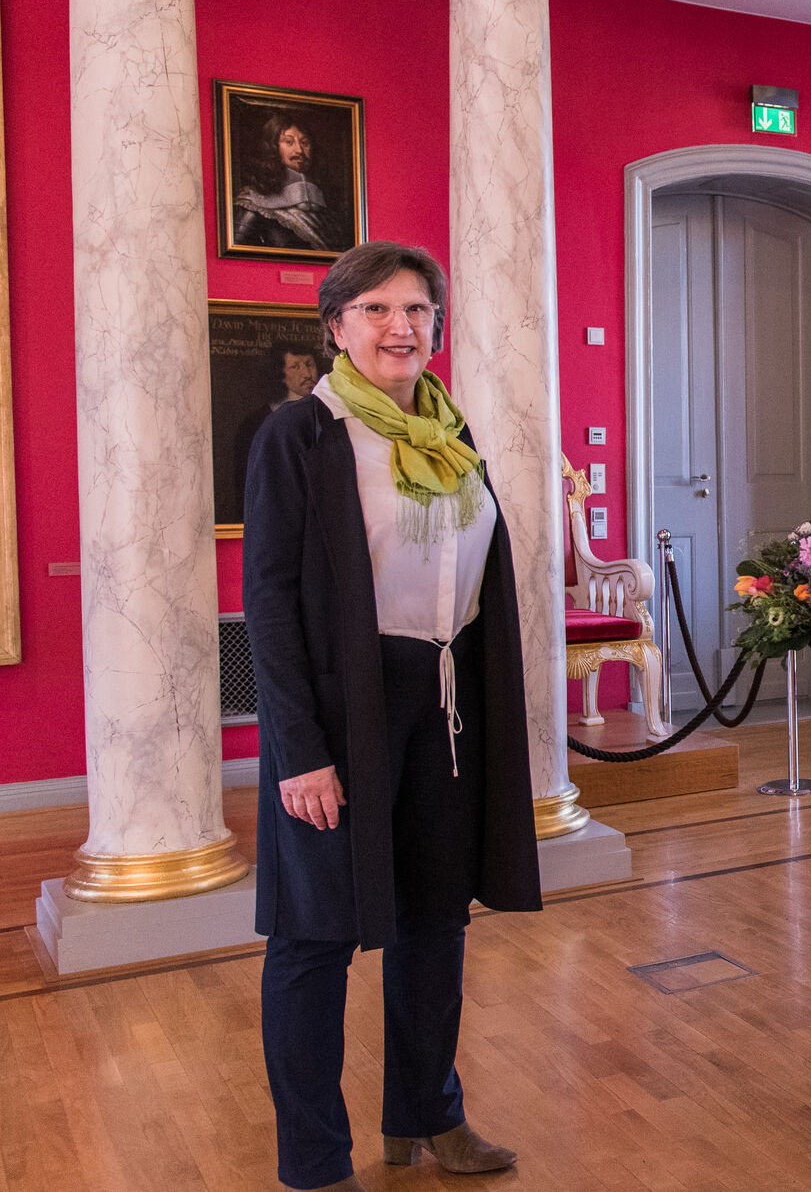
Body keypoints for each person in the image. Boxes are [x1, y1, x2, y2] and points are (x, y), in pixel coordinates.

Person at [243, 241, 542, 1192]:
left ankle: (427, 1116)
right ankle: (315, 1158)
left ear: (435, 327)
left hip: (444, 703)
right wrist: (299, 750)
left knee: (434, 922)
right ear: (335, 324)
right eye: (374, 309)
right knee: (316, 936)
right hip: (341, 714)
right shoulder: (304, 433)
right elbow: (272, 602)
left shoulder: (453, 437)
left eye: (415, 310)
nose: (398, 326)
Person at [226, 342, 321, 524]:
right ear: (279, 374)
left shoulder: (329, 417)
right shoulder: (255, 425)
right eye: (295, 367)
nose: (307, 374)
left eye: (309, 364)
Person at [234, 111, 346, 252]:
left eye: (305, 143)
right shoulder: (253, 203)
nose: (299, 150)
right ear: (273, 147)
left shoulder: (327, 205)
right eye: (289, 142)